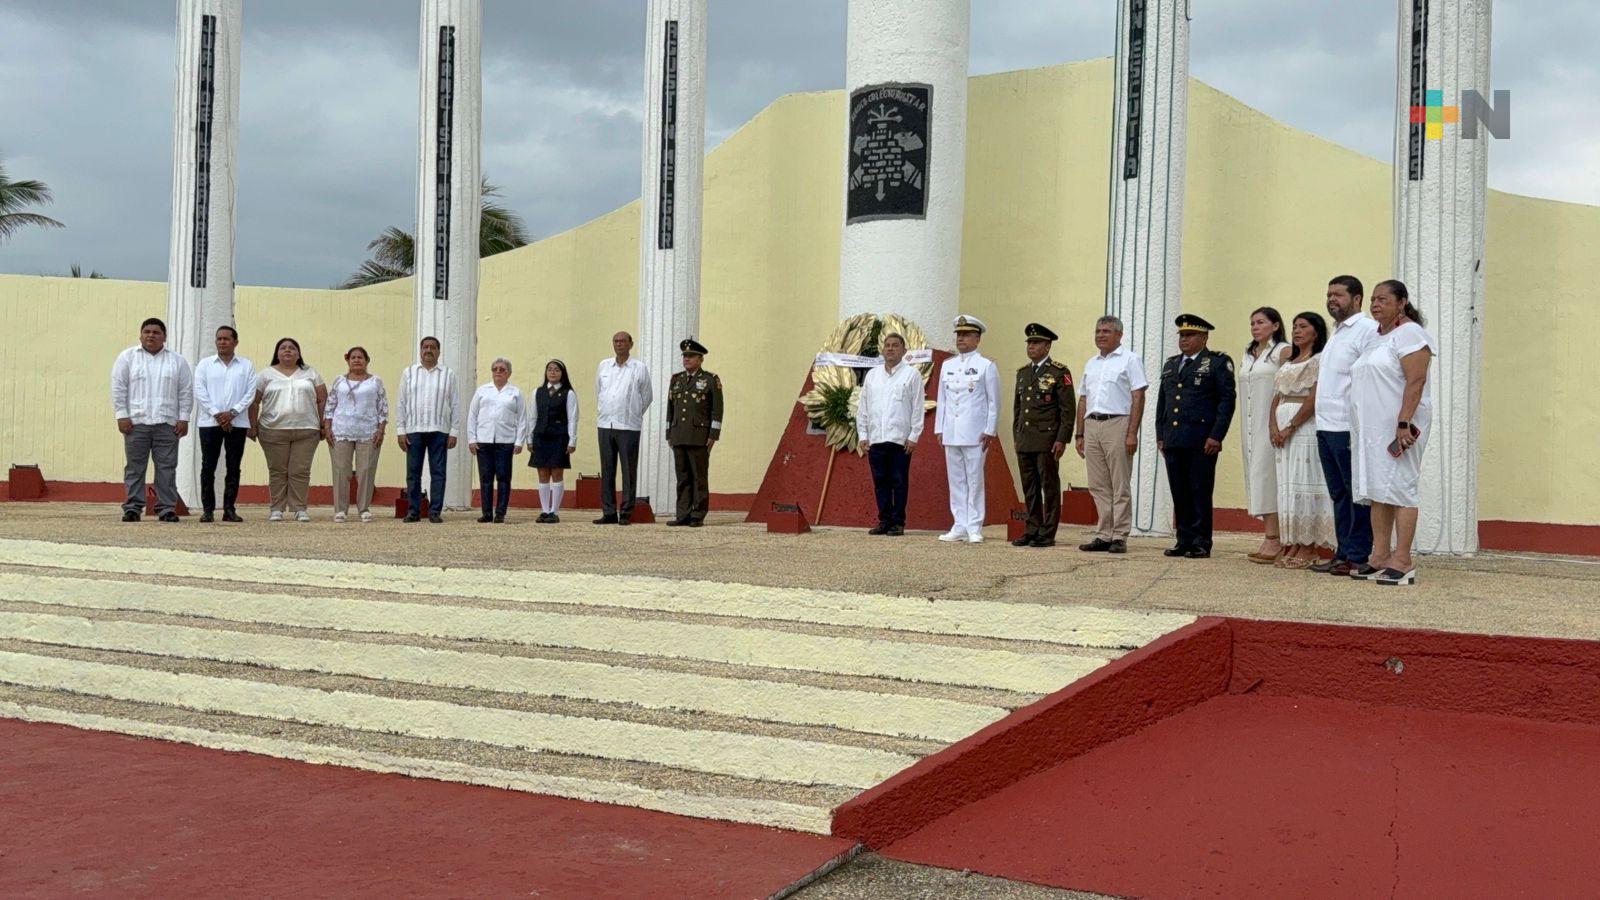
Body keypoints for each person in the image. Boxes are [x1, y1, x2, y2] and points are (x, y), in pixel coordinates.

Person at [1350, 280, 1436, 586]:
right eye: (1372, 300)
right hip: (1372, 430)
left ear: (1401, 302)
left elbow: (1416, 381)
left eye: (1383, 299)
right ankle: (1380, 555)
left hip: (1400, 428)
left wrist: (1403, 422)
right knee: (1378, 492)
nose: (1375, 305)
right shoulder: (1377, 337)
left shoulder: (1411, 334)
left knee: (1401, 489)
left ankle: (1403, 559)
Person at [1310, 275, 1379, 576]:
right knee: (1338, 493)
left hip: (1347, 426)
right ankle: (1343, 552)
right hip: (1325, 425)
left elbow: (1368, 378)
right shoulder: (1337, 333)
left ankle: (1359, 554)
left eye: (1338, 294)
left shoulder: (1365, 330)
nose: (1331, 300)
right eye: (1328, 295)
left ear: (1357, 298)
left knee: (1356, 494)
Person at [1155, 314, 1237, 558]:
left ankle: (1201, 541)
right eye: (1181, 335)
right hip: (1174, 438)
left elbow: (1226, 402)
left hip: (1201, 439)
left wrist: (1217, 435)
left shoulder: (1216, 363)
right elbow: (1163, 403)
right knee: (1179, 490)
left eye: (1190, 335)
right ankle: (1184, 539)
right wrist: (1161, 434)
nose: (1184, 340)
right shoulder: (1171, 364)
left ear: (1204, 337)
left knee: (1199, 490)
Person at [1075, 315, 1147, 554]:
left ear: (1119, 335)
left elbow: (1138, 396)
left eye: (1106, 331)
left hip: (1118, 422)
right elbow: (1083, 399)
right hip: (1092, 424)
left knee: (1119, 483)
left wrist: (1132, 433)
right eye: (1097, 331)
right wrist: (1080, 434)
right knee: (1098, 485)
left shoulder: (1130, 360)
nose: (1100, 335)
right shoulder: (1091, 363)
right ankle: (1103, 533)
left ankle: (1120, 535)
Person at [1269, 313, 1337, 567]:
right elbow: (1276, 397)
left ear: (1316, 332)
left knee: (1305, 479)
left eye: (1303, 327)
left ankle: (1309, 546)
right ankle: (1294, 540)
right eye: (1295, 326)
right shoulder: (1288, 362)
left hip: (1304, 427)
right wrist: (1273, 425)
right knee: (1288, 482)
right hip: (1283, 426)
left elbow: (1313, 398)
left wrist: (1290, 426)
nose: (1297, 331)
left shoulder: (1319, 361)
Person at [110, 317, 193, 522]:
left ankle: (166, 509)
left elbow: (185, 391)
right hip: (136, 423)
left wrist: (184, 419)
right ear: (140, 335)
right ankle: (133, 508)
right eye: (147, 331)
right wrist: (121, 415)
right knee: (135, 467)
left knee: (166, 468)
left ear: (164, 336)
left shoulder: (177, 361)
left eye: (156, 332)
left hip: (167, 424)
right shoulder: (127, 357)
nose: (151, 335)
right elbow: (118, 388)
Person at [934, 315, 1000, 544]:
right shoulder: (948, 365)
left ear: (977, 339)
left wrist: (990, 429)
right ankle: (959, 524)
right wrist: (939, 428)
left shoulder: (986, 366)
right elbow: (942, 399)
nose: (960, 339)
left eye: (966, 335)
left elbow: (993, 401)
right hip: (951, 431)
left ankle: (974, 526)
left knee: (974, 479)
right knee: (956, 480)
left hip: (975, 432)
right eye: (958, 335)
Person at [249, 337, 326, 522]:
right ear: (277, 353)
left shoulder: (311, 373)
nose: (288, 350)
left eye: (292, 348)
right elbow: (254, 402)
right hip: (273, 430)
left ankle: (299, 508)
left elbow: (323, 399)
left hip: (307, 430)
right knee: (277, 470)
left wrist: (324, 424)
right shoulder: (265, 374)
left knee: (300, 470)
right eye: (283, 348)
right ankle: (277, 508)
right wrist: (252, 426)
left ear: (299, 353)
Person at [1012, 323, 1075, 548]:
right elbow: (1018, 409)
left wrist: (1062, 439)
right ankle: (1032, 528)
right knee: (1029, 487)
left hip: (1047, 439)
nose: (1031, 347)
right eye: (1029, 343)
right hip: (1026, 439)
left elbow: (1067, 410)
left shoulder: (1059, 372)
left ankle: (1047, 532)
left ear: (1047, 347)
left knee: (1048, 486)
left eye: (1036, 343)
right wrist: (1017, 436)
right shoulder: (1023, 373)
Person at [857, 332, 924, 536]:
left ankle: (898, 522)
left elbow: (917, 407)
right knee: (880, 483)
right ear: (882, 349)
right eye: (887, 345)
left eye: (895, 345)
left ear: (904, 351)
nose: (890, 349)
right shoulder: (873, 375)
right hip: (877, 438)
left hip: (900, 440)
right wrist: (862, 434)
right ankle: (884, 520)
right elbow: (864, 407)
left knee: (899, 482)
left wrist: (914, 435)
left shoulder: (912, 375)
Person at [1238, 308, 1289, 562]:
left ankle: (1275, 538)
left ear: (1275, 325)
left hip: (1270, 422)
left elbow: (1292, 381)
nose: (1255, 327)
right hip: (1248, 423)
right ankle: (1271, 534)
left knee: (1268, 477)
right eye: (1252, 323)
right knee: (1256, 477)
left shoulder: (1282, 351)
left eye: (1260, 322)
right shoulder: (1248, 354)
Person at [192, 324, 255, 523]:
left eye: (226, 339)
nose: (222, 342)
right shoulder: (205, 364)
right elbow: (200, 391)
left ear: (235, 342)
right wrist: (218, 415)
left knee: (233, 466)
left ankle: (229, 509)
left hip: (238, 423)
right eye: (219, 339)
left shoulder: (246, 365)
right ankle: (208, 510)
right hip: (210, 423)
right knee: (208, 466)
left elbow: (250, 393)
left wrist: (232, 413)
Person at [396, 336, 459, 523]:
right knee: (413, 472)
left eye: (433, 347)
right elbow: (401, 403)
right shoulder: (409, 373)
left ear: (439, 352)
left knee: (438, 472)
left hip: (439, 429)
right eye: (425, 347)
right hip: (414, 429)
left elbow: (455, 404)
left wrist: (454, 431)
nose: (428, 350)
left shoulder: (449, 374)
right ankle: (414, 511)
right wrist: (401, 430)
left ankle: (434, 512)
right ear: (420, 350)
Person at [323, 346, 387, 523]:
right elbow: (330, 406)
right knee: (341, 470)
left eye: (360, 357)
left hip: (368, 432)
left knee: (365, 471)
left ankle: (364, 509)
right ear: (348, 361)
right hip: (341, 431)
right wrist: (327, 428)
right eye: (353, 357)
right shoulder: (339, 381)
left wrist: (381, 430)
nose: (357, 360)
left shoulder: (375, 382)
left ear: (367, 361)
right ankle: (340, 510)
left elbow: (383, 408)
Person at [593, 331, 652, 525]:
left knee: (628, 470)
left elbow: (647, 396)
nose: (619, 344)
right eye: (616, 341)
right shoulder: (604, 365)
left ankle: (626, 512)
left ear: (630, 344)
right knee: (607, 470)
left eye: (623, 341)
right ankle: (609, 512)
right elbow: (599, 391)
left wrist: (633, 413)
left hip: (628, 426)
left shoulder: (639, 368)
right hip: (605, 424)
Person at [665, 339, 724, 527]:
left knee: (699, 477)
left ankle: (697, 514)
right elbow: (670, 408)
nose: (686, 359)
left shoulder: (709, 380)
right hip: (679, 434)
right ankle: (682, 514)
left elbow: (717, 409)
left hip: (699, 436)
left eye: (690, 356)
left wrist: (713, 435)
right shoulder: (677, 379)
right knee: (682, 477)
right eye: (685, 356)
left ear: (700, 359)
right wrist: (669, 432)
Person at [466, 357, 526, 524]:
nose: (498, 372)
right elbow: (472, 415)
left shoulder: (515, 392)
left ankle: (500, 512)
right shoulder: (482, 391)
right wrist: (472, 438)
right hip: (484, 440)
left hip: (505, 441)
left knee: (503, 477)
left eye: (502, 369)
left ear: (509, 373)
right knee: (485, 478)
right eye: (495, 369)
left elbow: (522, 418)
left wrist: (519, 441)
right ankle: (486, 513)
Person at [527, 359, 578, 524]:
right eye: (549, 369)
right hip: (541, 436)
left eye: (556, 369)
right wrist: (529, 438)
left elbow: (573, 418)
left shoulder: (568, 393)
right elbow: (532, 417)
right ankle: (544, 510)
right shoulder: (537, 392)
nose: (553, 372)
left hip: (559, 437)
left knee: (556, 473)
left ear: (562, 373)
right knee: (542, 473)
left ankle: (554, 512)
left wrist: (572, 440)